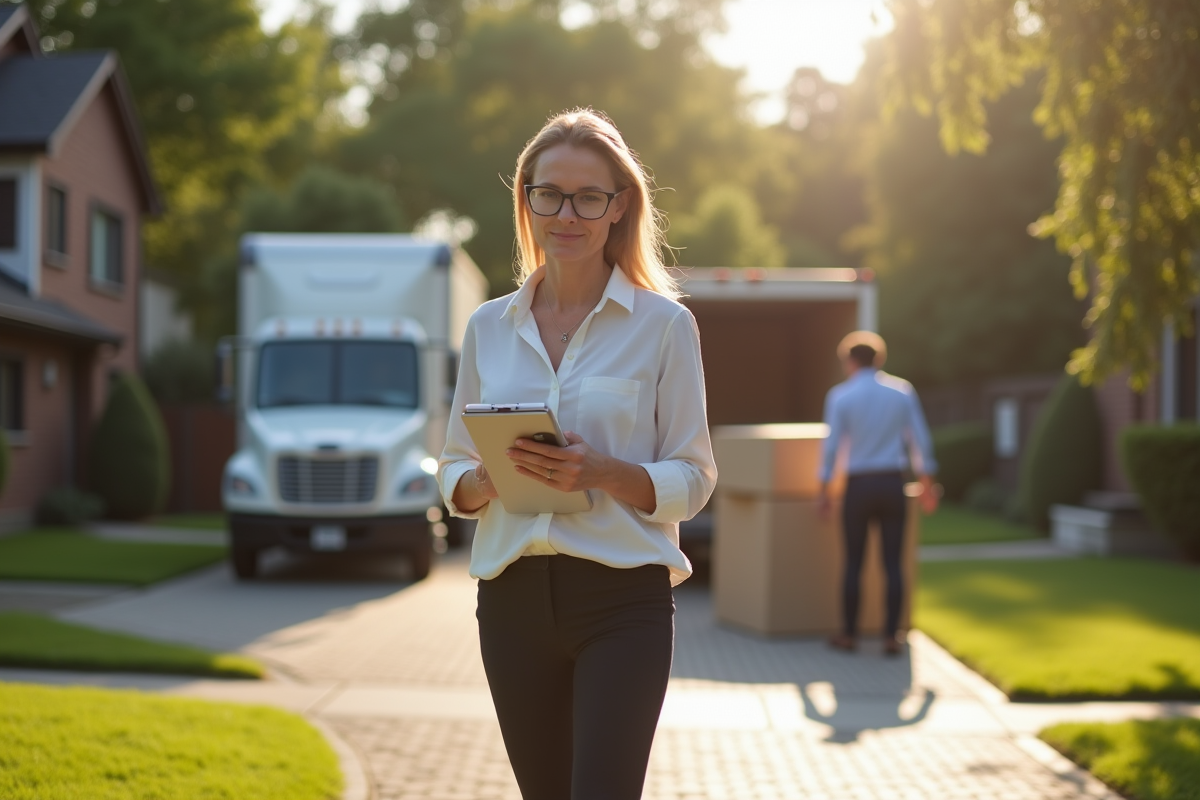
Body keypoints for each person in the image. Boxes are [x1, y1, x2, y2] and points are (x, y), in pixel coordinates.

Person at [438, 108, 717, 800]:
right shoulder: (487, 328)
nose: (566, 213)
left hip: (623, 601)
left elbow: (696, 476)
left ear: (619, 207)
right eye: (548, 194)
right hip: (511, 602)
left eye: (588, 197)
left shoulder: (665, 327)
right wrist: (486, 479)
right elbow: (450, 470)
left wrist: (605, 473)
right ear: (526, 201)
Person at [818, 331, 938, 656]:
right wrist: (927, 482)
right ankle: (891, 636)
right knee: (893, 563)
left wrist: (825, 489)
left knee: (854, 562)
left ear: (849, 361)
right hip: (891, 483)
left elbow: (831, 448)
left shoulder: (841, 396)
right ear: (879, 359)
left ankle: (849, 634)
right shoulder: (901, 392)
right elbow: (919, 439)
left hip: (858, 485)